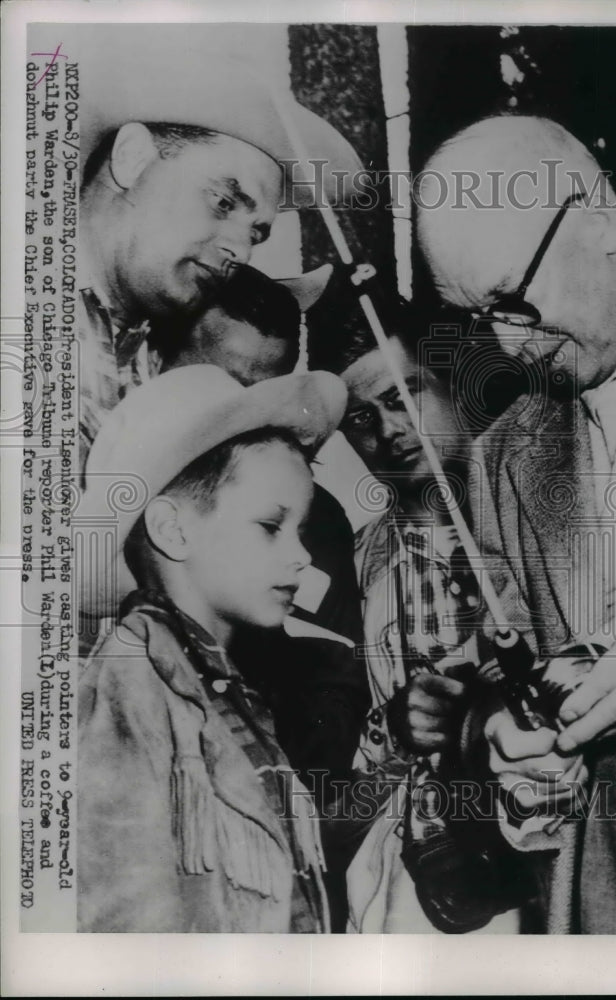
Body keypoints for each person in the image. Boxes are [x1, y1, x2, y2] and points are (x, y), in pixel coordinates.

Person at [416, 114, 616, 933]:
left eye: (510, 302)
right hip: (614, 904)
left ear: (594, 221)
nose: (501, 343)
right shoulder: (502, 457)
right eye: (474, 316)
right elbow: (504, 676)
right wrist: (512, 753)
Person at [77, 363, 347, 931]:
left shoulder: (228, 687)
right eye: (271, 526)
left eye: (300, 530)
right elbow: (124, 917)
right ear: (174, 531)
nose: (302, 556)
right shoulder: (131, 682)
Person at [155, 262, 371, 929]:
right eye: (224, 383)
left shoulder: (318, 522)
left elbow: (333, 682)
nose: (244, 411)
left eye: (265, 388)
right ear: (160, 361)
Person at [309, 307, 525, 934]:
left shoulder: (541, 520)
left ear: (452, 384)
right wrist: (394, 732)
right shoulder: (346, 569)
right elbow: (333, 787)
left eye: (404, 396)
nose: (391, 429)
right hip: (424, 886)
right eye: (362, 418)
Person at [65, 23, 362, 474]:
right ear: (131, 158)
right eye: (223, 202)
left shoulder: (149, 356)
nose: (241, 253)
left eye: (257, 234)